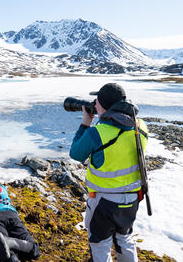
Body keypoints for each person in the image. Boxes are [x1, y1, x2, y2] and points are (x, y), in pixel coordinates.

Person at [69, 83, 148, 262]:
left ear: (103, 105)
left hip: (103, 201)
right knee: (125, 239)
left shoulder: (98, 133)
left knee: (100, 244)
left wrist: (85, 124)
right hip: (132, 199)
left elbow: (76, 153)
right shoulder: (141, 127)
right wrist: (104, 117)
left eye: (96, 101)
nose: (94, 104)